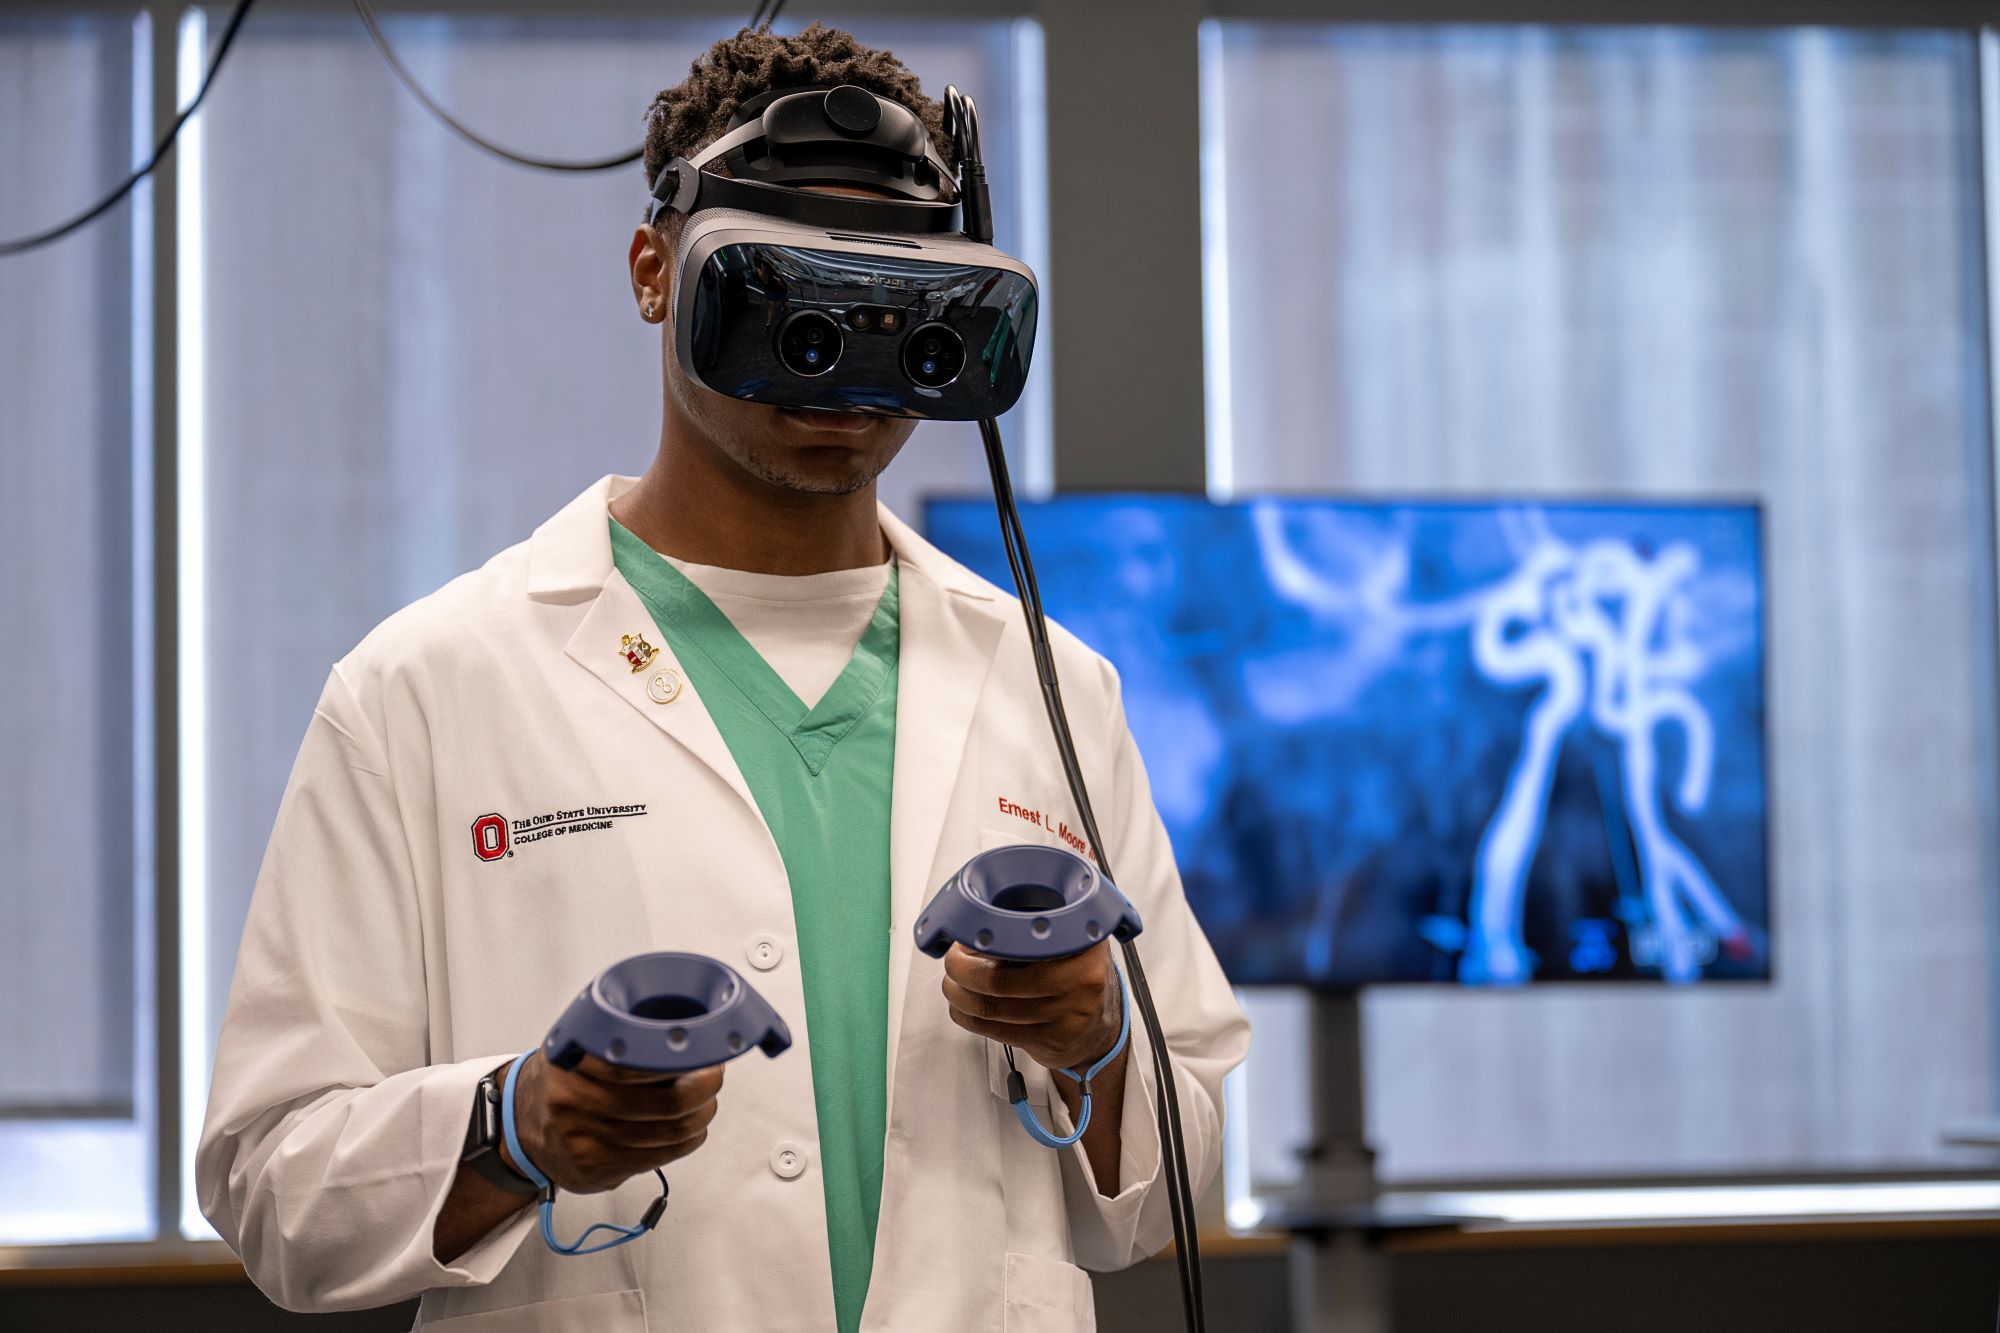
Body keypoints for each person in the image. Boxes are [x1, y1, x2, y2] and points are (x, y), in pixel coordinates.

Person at [196, 22, 1248, 1333]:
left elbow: (1177, 1188)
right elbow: (272, 1188)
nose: (845, 368)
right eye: (788, 299)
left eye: (895, 310)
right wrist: (517, 1125)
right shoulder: (427, 687)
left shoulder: (1051, 684)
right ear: (655, 269)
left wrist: (1092, 1040)